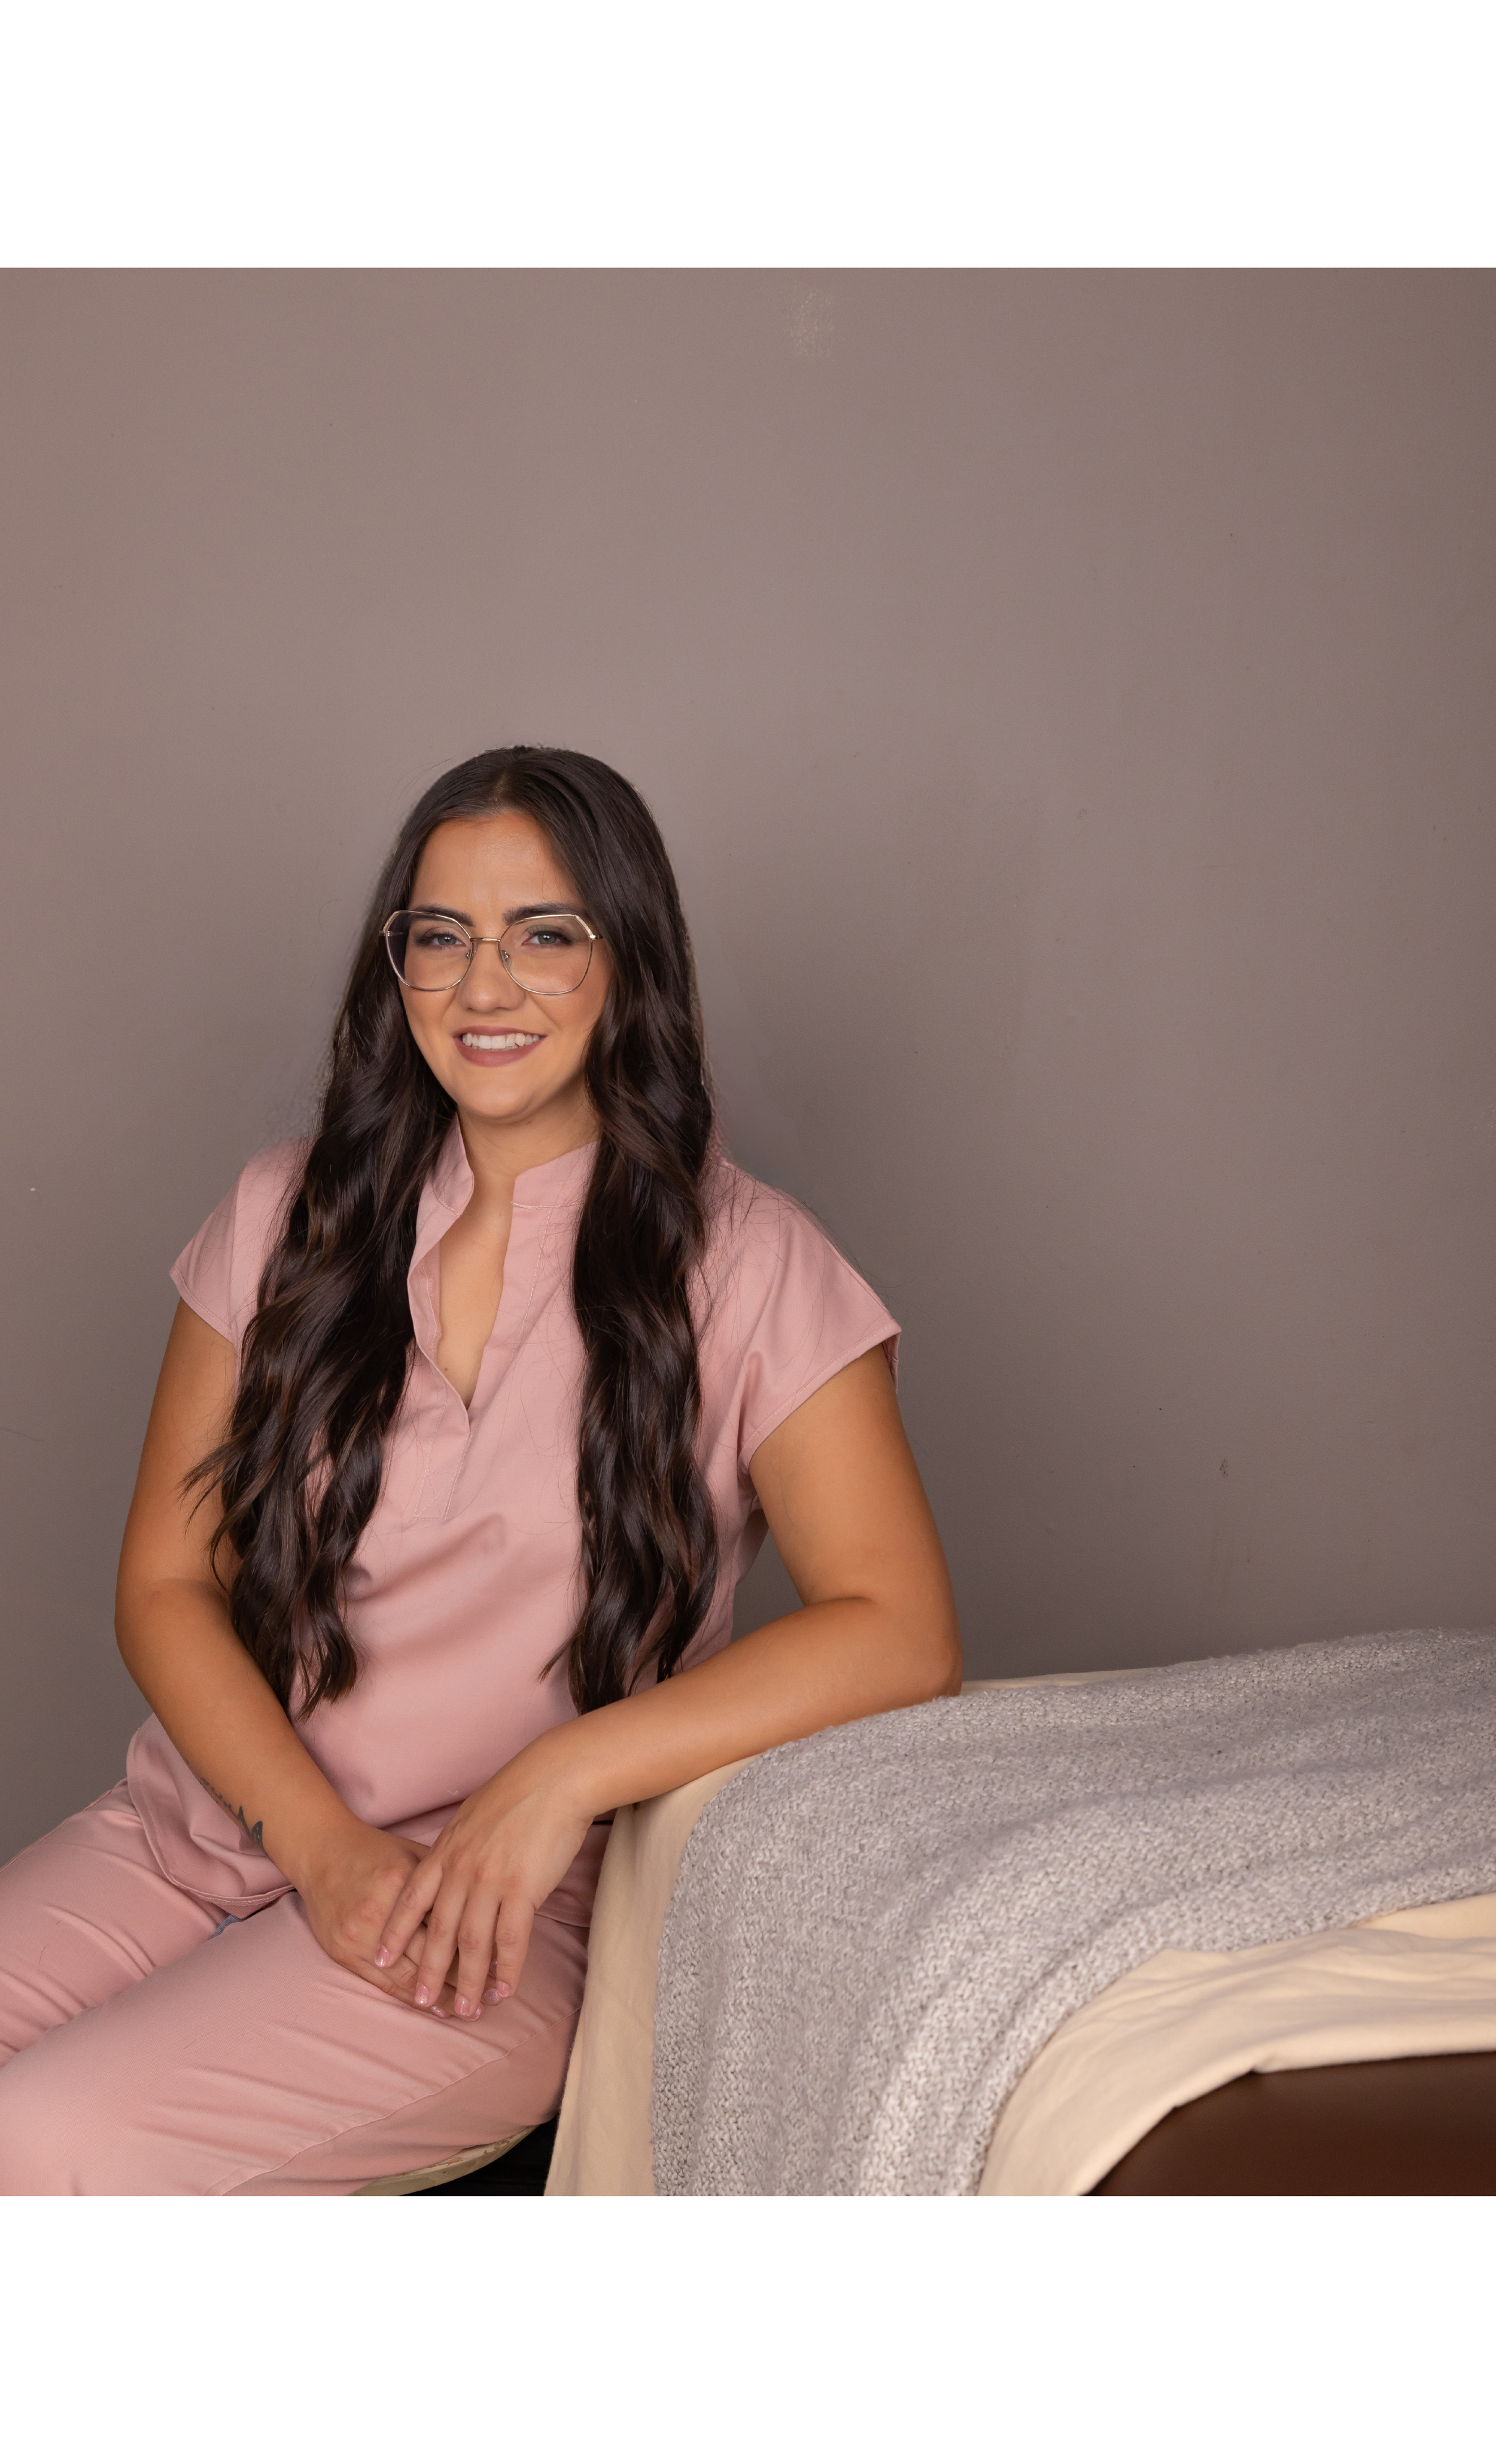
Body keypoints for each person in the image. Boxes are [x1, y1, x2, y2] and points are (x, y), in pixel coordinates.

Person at [0, 747, 962, 2194]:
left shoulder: (753, 1266)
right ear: (397, 968)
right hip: (206, 1823)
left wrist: (555, 1779)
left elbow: (899, 1627)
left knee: (39, 2149)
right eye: (440, 936)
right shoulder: (286, 1213)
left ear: (628, 958)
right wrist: (316, 1843)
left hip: (487, 1915)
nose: (482, 984)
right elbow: (161, 1583)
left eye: (544, 933)